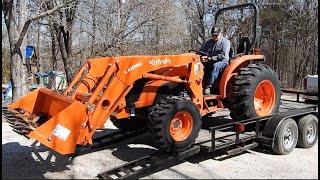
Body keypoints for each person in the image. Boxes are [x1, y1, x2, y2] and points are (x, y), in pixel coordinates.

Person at [199, 27, 231, 95]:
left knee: (215, 66)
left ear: (221, 34)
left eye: (216, 35)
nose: (214, 36)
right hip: (211, 60)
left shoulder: (225, 42)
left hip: (223, 61)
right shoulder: (209, 42)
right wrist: (200, 57)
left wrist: (211, 58)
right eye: (213, 35)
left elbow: (223, 55)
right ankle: (199, 83)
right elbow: (201, 51)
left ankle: (209, 86)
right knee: (199, 65)